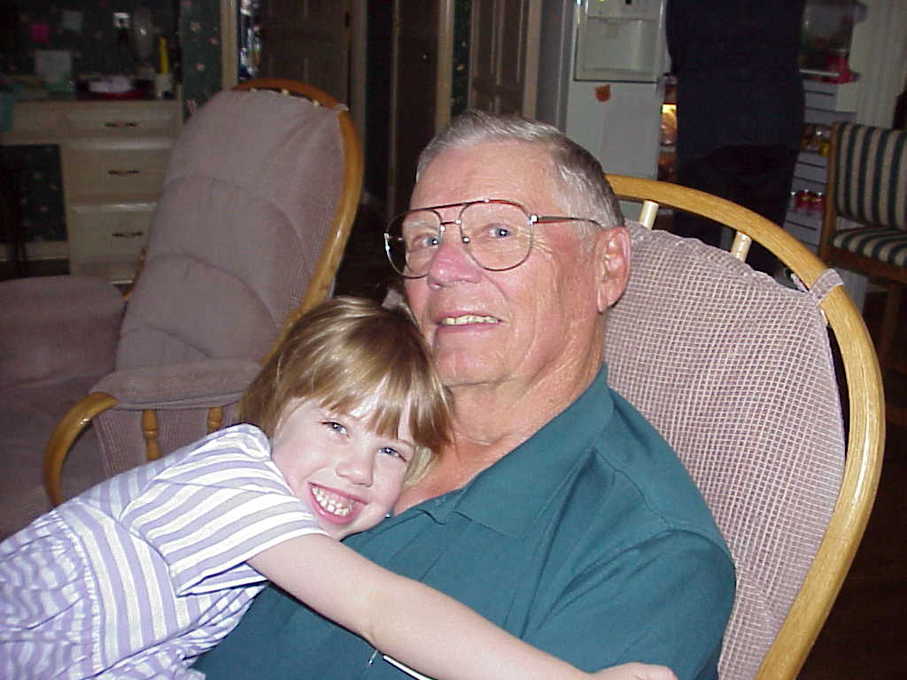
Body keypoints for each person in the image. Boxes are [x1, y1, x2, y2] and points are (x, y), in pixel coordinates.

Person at [194, 111, 736, 679]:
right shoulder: (338, 409)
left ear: (608, 266)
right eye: (426, 239)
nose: (444, 269)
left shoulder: (651, 557)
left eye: (500, 232)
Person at [0, 296, 674, 680]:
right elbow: (383, 608)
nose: (358, 468)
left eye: (391, 450)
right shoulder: (231, 482)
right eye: (335, 426)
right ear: (276, 405)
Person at [666, 0, 806, 275]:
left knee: (698, 239)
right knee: (761, 239)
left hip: (710, 110)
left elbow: (679, 45)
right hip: (774, 110)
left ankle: (695, 300)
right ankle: (752, 300)